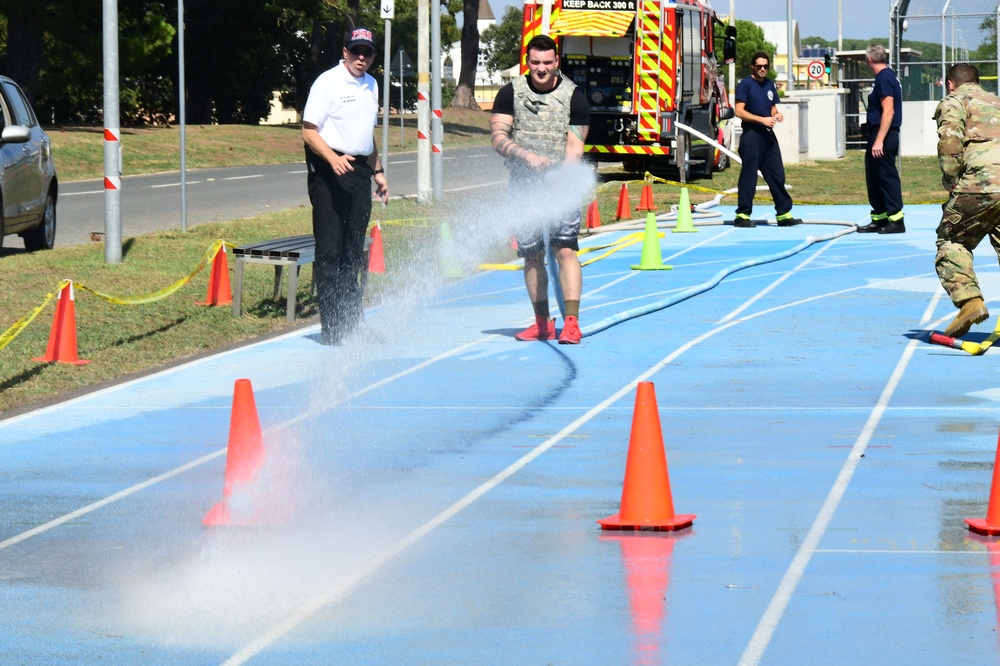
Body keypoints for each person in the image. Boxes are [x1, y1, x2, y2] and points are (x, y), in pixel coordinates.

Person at [490, 34, 591, 344]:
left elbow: (575, 147)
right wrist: (528, 156)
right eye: (535, 62)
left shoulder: (575, 96)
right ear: (527, 61)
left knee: (564, 249)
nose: (541, 68)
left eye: (548, 62)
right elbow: (498, 137)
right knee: (532, 255)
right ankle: (542, 322)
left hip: (562, 184)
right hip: (524, 186)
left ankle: (571, 322)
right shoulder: (510, 93)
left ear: (556, 62)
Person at [301, 26, 389, 345]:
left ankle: (353, 321)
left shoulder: (372, 84)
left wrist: (378, 171)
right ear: (345, 52)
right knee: (330, 251)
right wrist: (332, 158)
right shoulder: (328, 82)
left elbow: (366, 135)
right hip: (329, 170)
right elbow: (309, 131)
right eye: (356, 51)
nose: (361, 58)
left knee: (353, 252)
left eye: (367, 53)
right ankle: (332, 328)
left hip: (360, 170)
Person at [932, 63, 1000, 337]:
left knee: (952, 240)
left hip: (980, 183)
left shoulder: (954, 101)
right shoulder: (996, 101)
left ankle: (970, 302)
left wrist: (950, 180)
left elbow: (949, 142)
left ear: (950, 83)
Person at [731, 51, 801, 228]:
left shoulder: (770, 84)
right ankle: (743, 215)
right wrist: (762, 120)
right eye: (759, 66)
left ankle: (784, 213)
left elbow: (771, 108)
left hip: (768, 135)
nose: (762, 69)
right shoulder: (745, 85)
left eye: (765, 66)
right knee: (749, 175)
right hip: (752, 135)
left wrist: (776, 115)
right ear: (753, 67)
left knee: (777, 173)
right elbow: (739, 111)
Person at [857, 44, 905, 234]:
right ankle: (880, 217)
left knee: (886, 177)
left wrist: (879, 140)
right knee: (874, 177)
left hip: (883, 134)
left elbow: (889, 111)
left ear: (869, 60)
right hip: (878, 133)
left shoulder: (884, 78)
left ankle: (896, 220)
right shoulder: (885, 77)